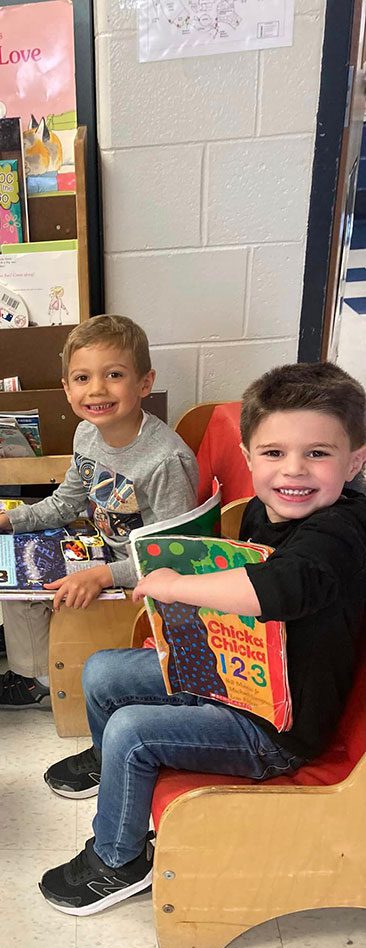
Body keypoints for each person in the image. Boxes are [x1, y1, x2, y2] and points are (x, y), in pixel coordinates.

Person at [39, 361, 366, 916]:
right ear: (248, 458)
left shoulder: (342, 529)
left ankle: (117, 862)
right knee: (102, 673)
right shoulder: (270, 511)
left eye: (318, 453)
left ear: (355, 461)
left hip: (276, 729)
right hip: (231, 677)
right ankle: (109, 766)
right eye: (273, 453)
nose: (294, 471)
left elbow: (284, 586)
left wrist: (179, 585)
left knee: (133, 730)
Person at [0, 315, 198, 710]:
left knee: (36, 591)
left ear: (145, 383)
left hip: (137, 579)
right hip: (104, 550)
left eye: (114, 375)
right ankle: (27, 633)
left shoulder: (165, 459)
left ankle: (38, 679)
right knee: (16, 551)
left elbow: (171, 555)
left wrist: (103, 575)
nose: (97, 389)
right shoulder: (86, 433)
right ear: (66, 388)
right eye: (82, 378)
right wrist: (5, 520)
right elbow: (66, 503)